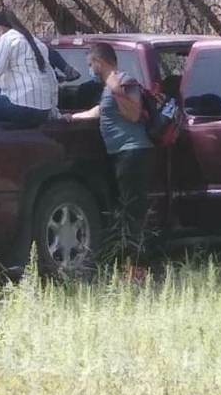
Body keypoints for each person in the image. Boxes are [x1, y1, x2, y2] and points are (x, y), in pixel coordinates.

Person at [63, 43, 154, 262]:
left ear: (99, 62)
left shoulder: (124, 81)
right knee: (123, 206)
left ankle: (137, 264)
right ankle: (126, 259)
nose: (89, 69)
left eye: (90, 64)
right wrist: (72, 117)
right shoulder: (108, 87)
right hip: (120, 154)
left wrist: (116, 90)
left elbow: (133, 114)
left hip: (133, 152)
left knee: (133, 209)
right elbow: (101, 110)